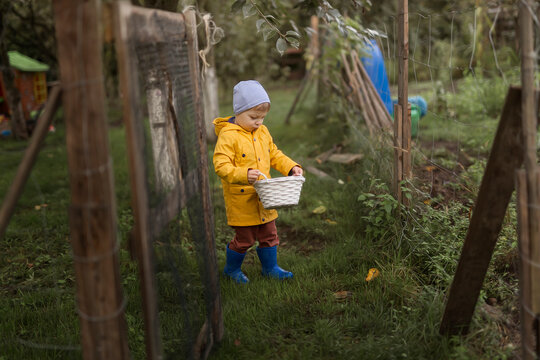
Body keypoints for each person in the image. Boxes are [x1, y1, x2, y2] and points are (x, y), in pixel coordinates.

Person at [213, 80, 303, 284]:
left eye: (262, 117)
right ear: (239, 112)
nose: (259, 122)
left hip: (265, 198)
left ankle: (270, 268)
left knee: (270, 234)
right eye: (254, 117)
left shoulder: (262, 133)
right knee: (245, 239)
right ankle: (231, 269)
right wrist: (244, 174)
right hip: (242, 201)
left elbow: (275, 155)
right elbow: (221, 166)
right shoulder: (228, 136)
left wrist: (291, 167)